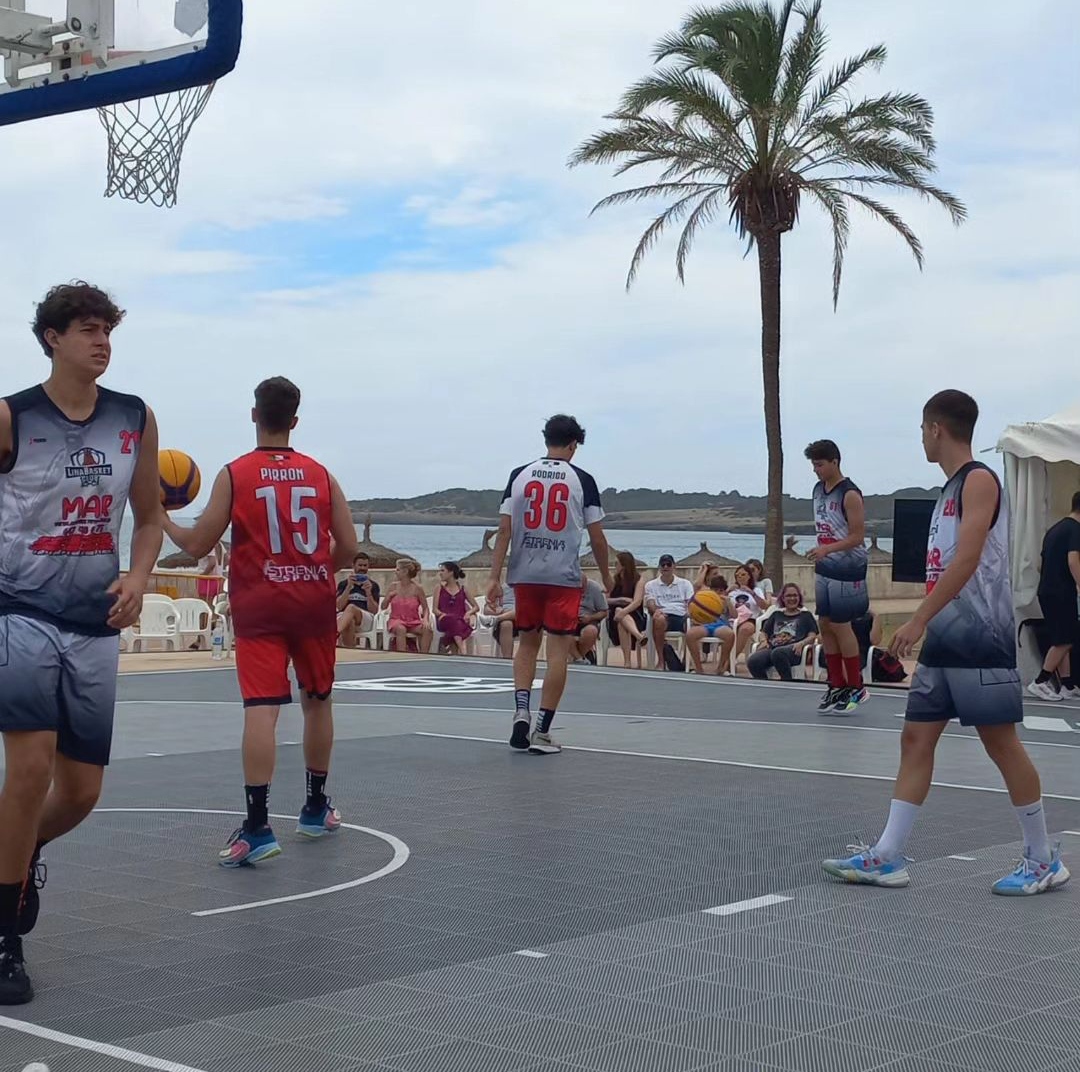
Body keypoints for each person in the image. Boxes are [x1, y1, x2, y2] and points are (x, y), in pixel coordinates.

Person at [824, 390, 1069, 896]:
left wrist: (917, 620)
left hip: (979, 637)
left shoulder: (979, 480)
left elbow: (968, 559)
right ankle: (888, 855)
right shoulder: (948, 491)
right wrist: (928, 624)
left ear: (937, 428)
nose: (920, 437)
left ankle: (1042, 858)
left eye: (921, 429)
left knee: (1001, 744)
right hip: (946, 639)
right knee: (915, 738)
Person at [0, 282, 162, 1005]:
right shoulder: (12, 416)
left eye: (107, 331)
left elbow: (150, 516)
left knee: (83, 792)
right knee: (28, 770)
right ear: (51, 338)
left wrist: (139, 575)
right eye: (88, 330)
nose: (101, 341)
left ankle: (20, 853)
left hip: (96, 619)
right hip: (21, 609)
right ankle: (6, 945)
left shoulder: (133, 417)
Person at [162, 377, 358, 868]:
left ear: (254, 415)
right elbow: (351, 550)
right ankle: (315, 808)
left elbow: (196, 546)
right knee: (318, 702)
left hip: (260, 605)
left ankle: (258, 825)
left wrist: (159, 515)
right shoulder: (321, 474)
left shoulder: (235, 473)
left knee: (261, 710)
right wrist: (314, 569)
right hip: (312, 603)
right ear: (294, 420)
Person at [487, 414, 610, 755]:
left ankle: (521, 710)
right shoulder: (581, 479)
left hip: (525, 574)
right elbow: (597, 539)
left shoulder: (519, 475)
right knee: (557, 651)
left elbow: (504, 531)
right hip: (562, 577)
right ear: (573, 444)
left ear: (545, 440)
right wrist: (609, 576)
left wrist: (495, 577)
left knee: (527, 643)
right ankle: (542, 729)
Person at [805, 439, 870, 713]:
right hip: (825, 565)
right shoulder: (818, 490)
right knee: (826, 623)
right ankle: (836, 684)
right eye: (813, 465)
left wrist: (828, 548)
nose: (816, 470)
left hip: (847, 566)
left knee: (843, 625)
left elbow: (857, 536)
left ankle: (857, 686)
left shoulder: (850, 494)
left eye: (819, 464)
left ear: (834, 461)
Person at [1028, 493, 1080, 701]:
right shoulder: (1075, 530)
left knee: (1062, 637)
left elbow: (1042, 564)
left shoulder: (1055, 530)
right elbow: (1073, 561)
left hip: (1047, 590)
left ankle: (1067, 685)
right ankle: (1040, 681)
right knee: (1065, 640)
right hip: (1061, 592)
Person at [747, 584, 817, 681]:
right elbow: (764, 632)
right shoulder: (776, 614)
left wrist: (802, 643)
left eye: (795, 595)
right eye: (788, 596)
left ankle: (786, 682)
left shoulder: (806, 616)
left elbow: (812, 636)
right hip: (773, 648)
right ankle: (764, 685)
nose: (792, 598)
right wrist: (763, 641)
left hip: (794, 650)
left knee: (778, 653)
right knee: (753, 660)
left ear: (799, 598)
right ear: (783, 598)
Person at [644, 555, 695, 670]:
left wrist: (689, 612)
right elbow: (650, 602)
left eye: (668, 564)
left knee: (691, 625)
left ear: (674, 566)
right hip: (664, 614)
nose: (666, 567)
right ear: (659, 567)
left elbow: (690, 602)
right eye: (663, 565)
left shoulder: (685, 584)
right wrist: (655, 610)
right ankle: (661, 661)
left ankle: (686, 660)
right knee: (659, 619)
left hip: (681, 615)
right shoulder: (651, 585)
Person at [382, 559, 432, 654]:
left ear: (405, 572)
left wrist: (425, 619)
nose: (395, 572)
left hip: (413, 621)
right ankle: (403, 656)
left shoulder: (418, 589)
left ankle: (423, 656)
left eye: (397, 570)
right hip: (396, 620)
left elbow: (425, 608)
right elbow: (383, 607)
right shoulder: (393, 586)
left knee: (427, 630)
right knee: (401, 629)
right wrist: (388, 597)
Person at [336, 552, 381, 648]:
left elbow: (374, 611)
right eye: (360, 565)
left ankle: (335, 633)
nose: (363, 568)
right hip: (344, 617)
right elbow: (339, 606)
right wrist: (348, 588)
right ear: (353, 565)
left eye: (365, 566)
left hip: (365, 617)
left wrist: (368, 592)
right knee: (350, 621)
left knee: (351, 607)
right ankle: (351, 650)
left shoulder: (373, 586)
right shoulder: (344, 584)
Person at [434, 560, 477, 655]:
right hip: (444, 620)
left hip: (460, 621)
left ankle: (455, 652)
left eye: (442, 571)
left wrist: (468, 613)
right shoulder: (439, 588)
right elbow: (435, 609)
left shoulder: (463, 589)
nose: (440, 573)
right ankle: (463, 651)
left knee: (456, 623)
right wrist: (442, 614)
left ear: (451, 572)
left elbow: (476, 607)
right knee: (452, 619)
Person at [572, 573, 609, 664]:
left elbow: (604, 612)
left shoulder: (594, 588)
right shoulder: (568, 587)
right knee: (560, 632)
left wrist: (590, 617)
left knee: (591, 631)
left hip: (589, 619)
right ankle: (580, 659)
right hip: (571, 619)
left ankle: (577, 658)